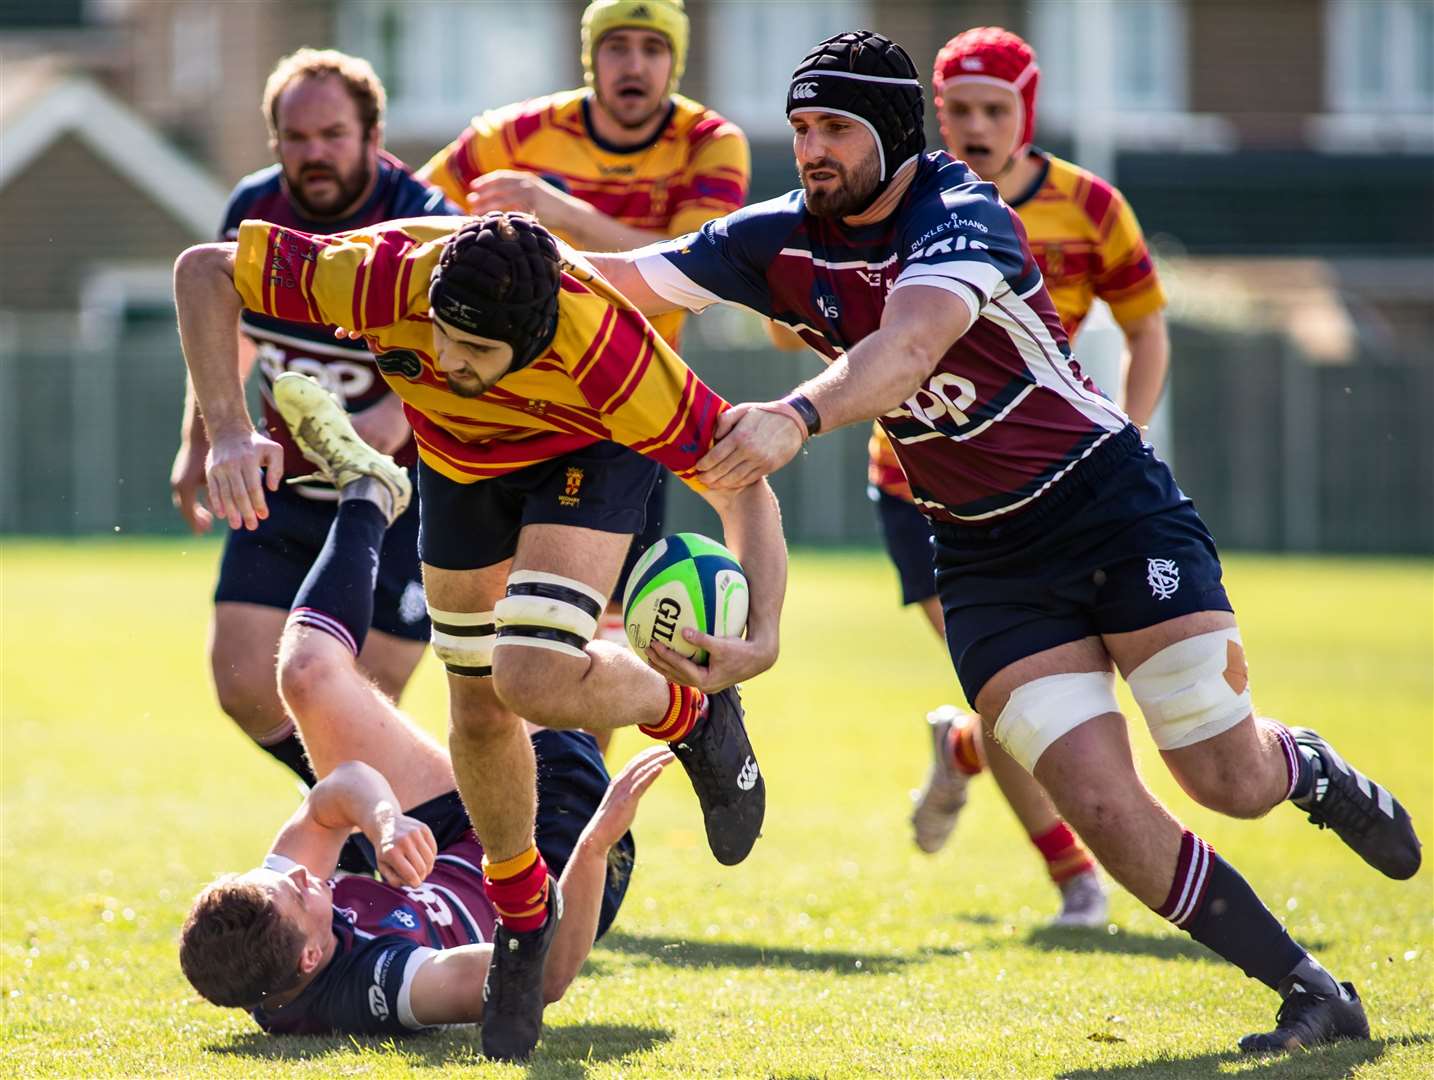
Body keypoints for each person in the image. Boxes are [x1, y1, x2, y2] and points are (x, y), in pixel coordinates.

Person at [587, 30, 1421, 1052]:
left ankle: (1314, 772)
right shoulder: (779, 236)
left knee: (1225, 779)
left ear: (895, 132)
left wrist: (794, 417)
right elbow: (623, 278)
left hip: (1108, 506)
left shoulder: (965, 213)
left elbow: (905, 348)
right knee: (1105, 812)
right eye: (801, 126)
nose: (812, 148)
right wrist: (461, 262)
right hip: (984, 559)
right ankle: (1307, 989)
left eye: (836, 128)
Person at [171, 210, 787, 1060]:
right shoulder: (388, 276)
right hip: (460, 466)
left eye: (474, 352)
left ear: (534, 338)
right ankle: (524, 918)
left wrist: (765, 632)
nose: (448, 358)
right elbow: (205, 270)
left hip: (585, 456)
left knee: (527, 677)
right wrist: (227, 427)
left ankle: (692, 716)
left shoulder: (609, 348)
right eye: (441, 337)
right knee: (479, 716)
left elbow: (741, 483)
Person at [895, 26, 1170, 926]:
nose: (975, 126)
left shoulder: (1090, 206)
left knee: (1070, 682)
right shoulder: (903, 203)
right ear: (937, 113)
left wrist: (1124, 434)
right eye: (958, 109)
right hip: (920, 490)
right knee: (1023, 686)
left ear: (1028, 111)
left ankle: (962, 751)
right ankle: (1074, 878)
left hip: (1063, 482)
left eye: (994, 109)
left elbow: (1145, 326)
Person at [418, 0, 750, 707]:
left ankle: (592, 802)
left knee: (587, 641)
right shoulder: (510, 134)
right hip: (504, 409)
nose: (634, 64)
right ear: (589, 56)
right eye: (617, 46)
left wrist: (558, 214)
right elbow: (411, 218)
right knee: (489, 663)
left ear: (676, 59)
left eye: (652, 48)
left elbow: (699, 273)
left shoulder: (711, 142)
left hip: (623, 414)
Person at [168, 48, 457, 792]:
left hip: (403, 492)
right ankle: (373, 812)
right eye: (296, 139)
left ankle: (390, 819)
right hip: (288, 476)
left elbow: (468, 346)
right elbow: (223, 325)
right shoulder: (253, 207)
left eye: (332, 134)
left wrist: (399, 409)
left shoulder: (423, 219)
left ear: (372, 135)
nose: (314, 153)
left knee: (363, 688)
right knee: (241, 678)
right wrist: (201, 435)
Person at [179, 710, 665, 1036]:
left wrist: (385, 824)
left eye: (283, 876)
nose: (304, 876)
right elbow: (540, 976)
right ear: (310, 958)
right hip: (551, 858)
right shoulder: (384, 983)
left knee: (313, 673)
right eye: (300, 893)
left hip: (462, 842)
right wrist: (597, 842)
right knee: (534, 674)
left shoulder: (269, 942)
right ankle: (683, 704)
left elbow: (342, 786)